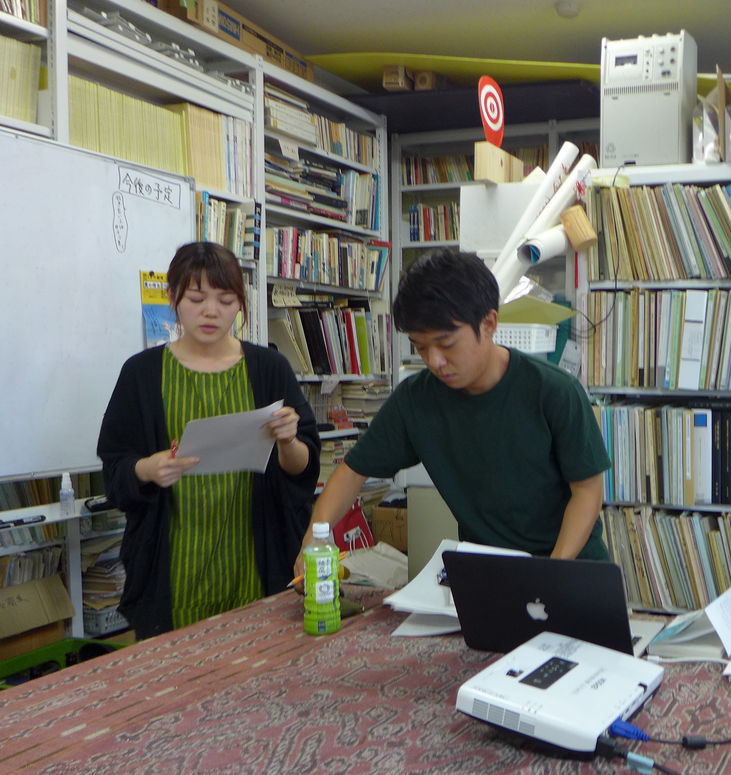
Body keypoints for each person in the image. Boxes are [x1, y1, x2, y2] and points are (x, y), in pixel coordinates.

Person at [299, 249, 610, 567]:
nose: (434, 361)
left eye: (447, 344)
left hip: (571, 567)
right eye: (421, 347)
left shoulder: (553, 390)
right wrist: (315, 538)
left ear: (488, 324)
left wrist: (552, 570)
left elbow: (587, 490)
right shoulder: (416, 399)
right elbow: (353, 472)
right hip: (487, 570)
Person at [98, 241, 320, 639]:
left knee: (263, 661)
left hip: (256, 560)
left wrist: (288, 441)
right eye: (197, 299)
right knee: (174, 669)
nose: (211, 311)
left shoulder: (269, 368)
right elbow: (115, 467)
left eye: (225, 299)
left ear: (240, 303)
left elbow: (303, 469)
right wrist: (147, 468)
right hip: (172, 568)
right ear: (173, 298)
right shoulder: (141, 374)